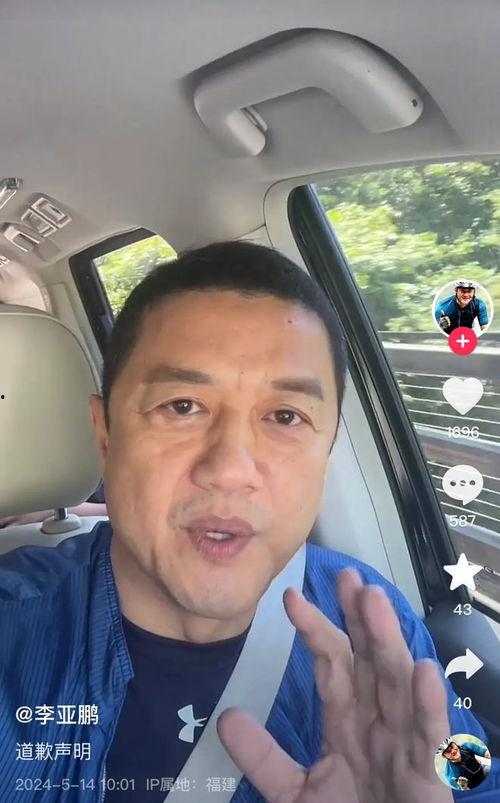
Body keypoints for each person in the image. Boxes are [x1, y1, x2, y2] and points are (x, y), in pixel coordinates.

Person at [0, 241, 497, 803]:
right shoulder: (13, 633)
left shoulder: (367, 619)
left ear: (328, 448)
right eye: (182, 406)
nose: (231, 470)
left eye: (285, 416)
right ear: (105, 435)